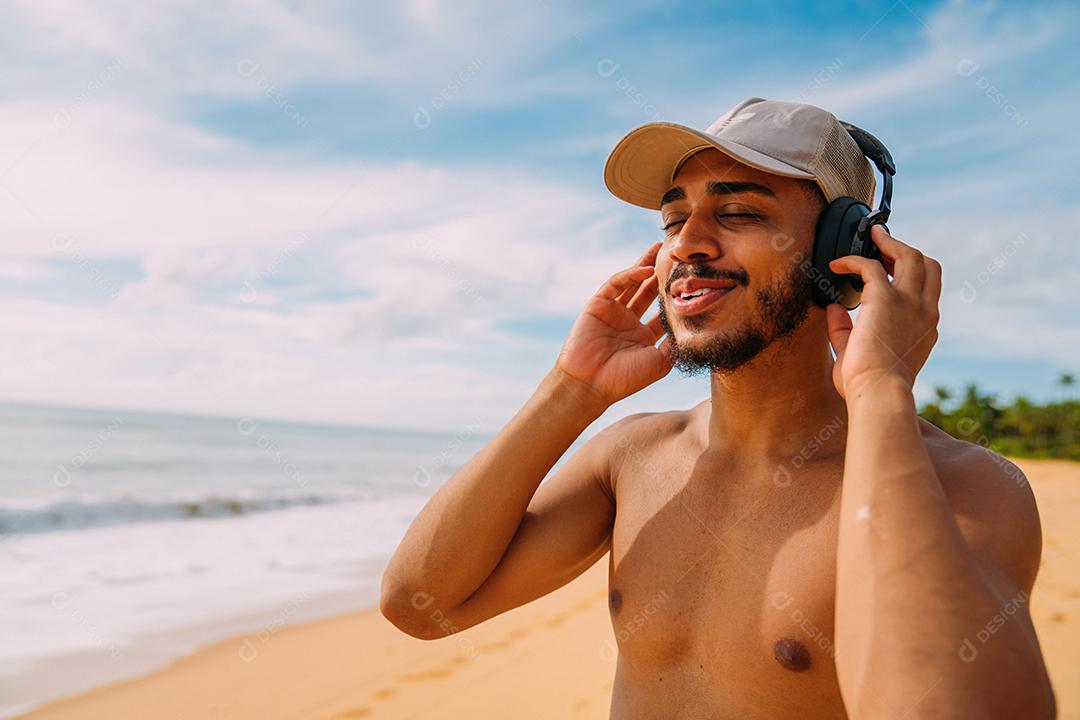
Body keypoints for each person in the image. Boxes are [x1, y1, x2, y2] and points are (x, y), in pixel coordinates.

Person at [380, 97, 1055, 718]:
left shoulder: (964, 487)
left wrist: (882, 387)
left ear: (843, 249)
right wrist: (571, 391)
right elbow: (421, 603)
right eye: (674, 219)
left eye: (738, 213)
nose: (686, 244)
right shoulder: (633, 457)